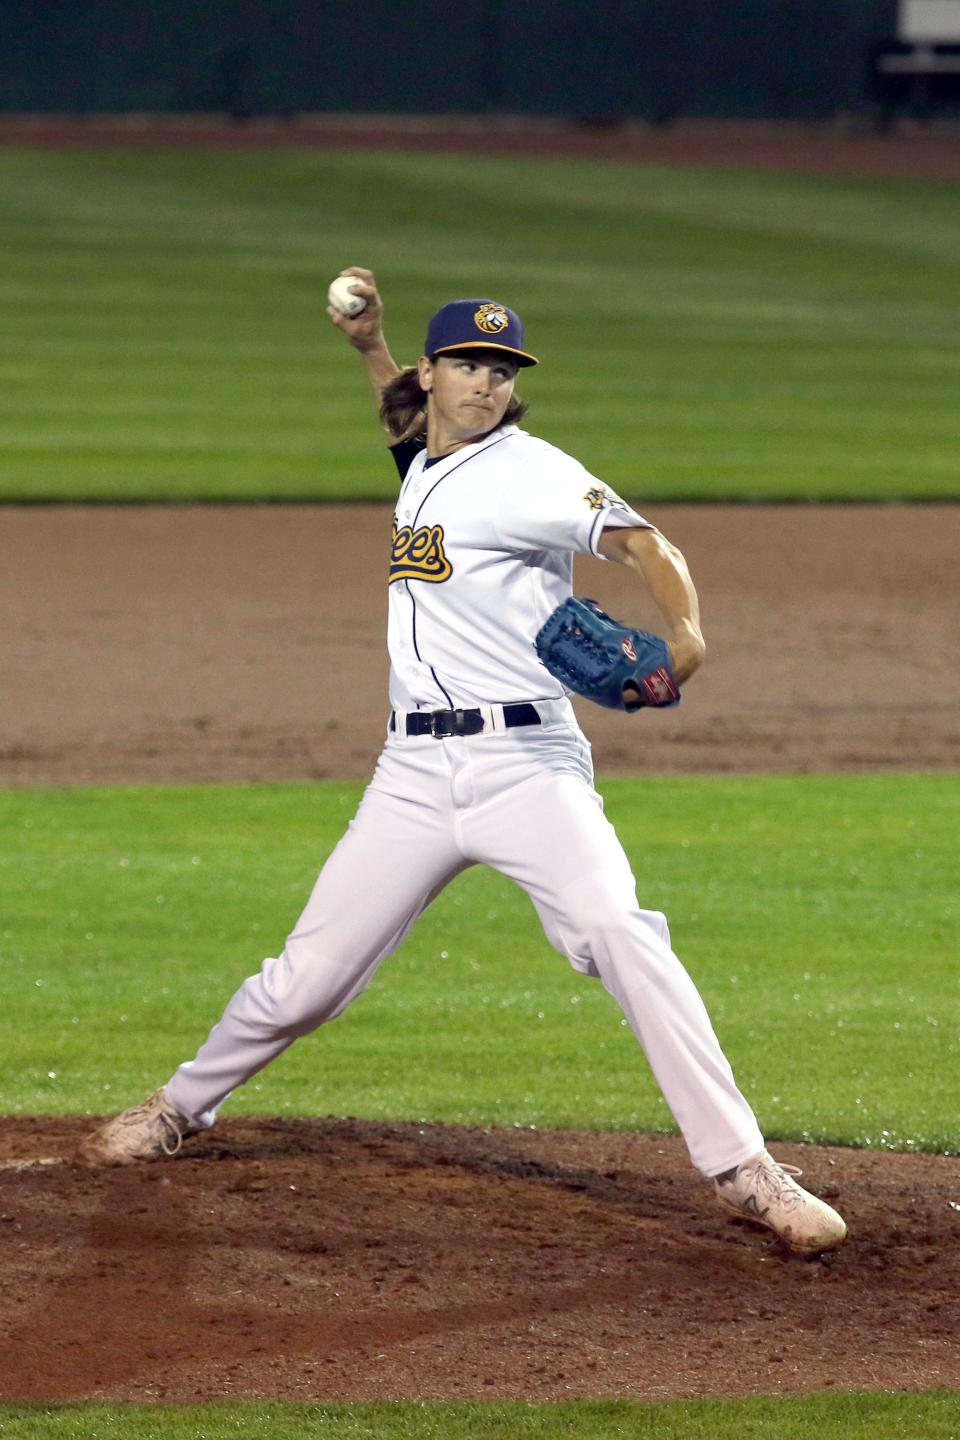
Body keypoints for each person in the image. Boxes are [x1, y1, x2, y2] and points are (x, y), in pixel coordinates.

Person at [77, 268, 847, 1255]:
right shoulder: (433, 465)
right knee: (305, 981)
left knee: (620, 930)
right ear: (435, 374)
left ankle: (748, 1170)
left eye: (503, 369)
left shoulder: (530, 470)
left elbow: (646, 543)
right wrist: (370, 353)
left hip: (527, 764)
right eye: (471, 365)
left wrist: (686, 634)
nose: (487, 384)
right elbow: (413, 450)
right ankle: (179, 1107)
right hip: (410, 778)